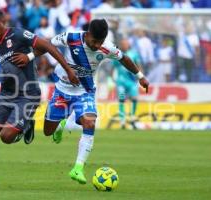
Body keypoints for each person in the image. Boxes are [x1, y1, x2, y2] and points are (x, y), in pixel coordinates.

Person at [13, 19, 149, 184]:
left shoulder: (107, 47)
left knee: (90, 123)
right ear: (88, 34)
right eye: (94, 41)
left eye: (100, 42)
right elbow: (47, 45)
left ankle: (78, 168)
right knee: (48, 131)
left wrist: (140, 77)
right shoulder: (71, 38)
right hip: (62, 90)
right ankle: (62, 124)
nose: (97, 46)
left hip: (84, 91)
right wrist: (29, 56)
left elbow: (124, 59)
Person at [0, 7, 79, 188]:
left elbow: (48, 45)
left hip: (28, 94)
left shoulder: (17, 35)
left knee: (7, 137)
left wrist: (68, 70)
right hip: (6, 94)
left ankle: (26, 125)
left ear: (3, 21)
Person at [110, 39, 142, 129]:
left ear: (128, 45)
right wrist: (112, 79)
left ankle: (132, 118)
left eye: (126, 44)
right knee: (121, 99)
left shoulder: (134, 54)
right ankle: (122, 121)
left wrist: (140, 77)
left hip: (132, 82)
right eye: (123, 44)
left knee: (134, 99)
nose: (124, 45)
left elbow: (139, 66)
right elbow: (113, 68)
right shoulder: (117, 54)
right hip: (120, 83)